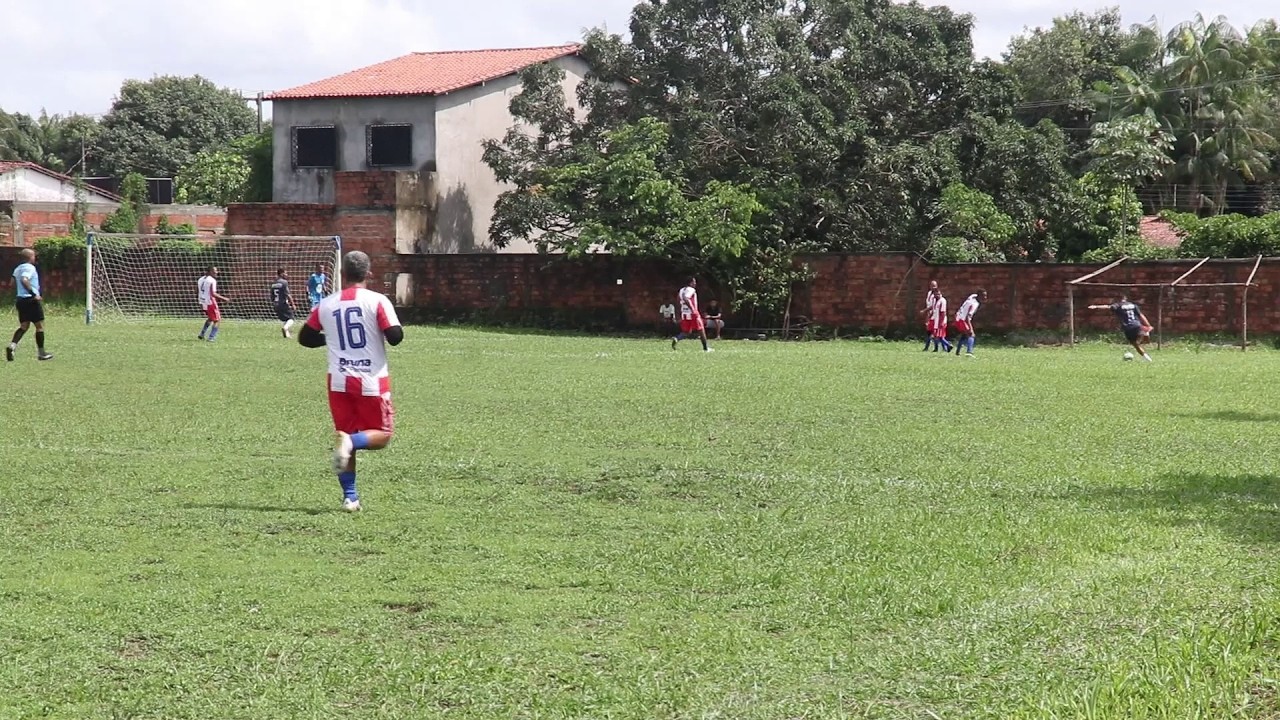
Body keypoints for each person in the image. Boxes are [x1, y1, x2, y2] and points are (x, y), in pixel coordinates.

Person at [298, 251, 404, 512]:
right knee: (382, 435)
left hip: (338, 382)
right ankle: (352, 445)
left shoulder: (326, 304)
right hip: (371, 380)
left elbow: (305, 338)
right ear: (369, 274)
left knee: (346, 434)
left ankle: (350, 497)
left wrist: (330, 339)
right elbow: (395, 336)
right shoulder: (378, 301)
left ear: (343, 275)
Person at [7, 248, 53, 362]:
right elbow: (24, 279)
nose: (35, 258)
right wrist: (33, 294)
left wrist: (19, 293)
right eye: (33, 256)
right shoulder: (29, 268)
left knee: (24, 326)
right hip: (31, 300)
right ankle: (41, 353)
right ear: (29, 257)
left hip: (20, 300)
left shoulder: (17, 268)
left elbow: (11, 283)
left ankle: (12, 346)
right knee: (39, 326)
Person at [1089, 296, 1154, 362]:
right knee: (1142, 340)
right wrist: (1148, 325)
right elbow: (1141, 315)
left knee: (1135, 344)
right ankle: (1144, 335)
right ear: (1125, 299)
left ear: (1117, 299)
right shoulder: (1133, 305)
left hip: (1128, 327)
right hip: (1137, 325)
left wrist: (1096, 306)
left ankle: (1147, 358)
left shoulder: (1118, 305)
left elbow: (1107, 307)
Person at [671, 277, 712, 352]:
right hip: (692, 313)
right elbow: (686, 298)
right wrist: (693, 309)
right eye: (694, 282)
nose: (695, 283)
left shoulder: (681, 290)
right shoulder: (691, 290)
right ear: (690, 283)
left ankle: (677, 338)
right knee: (701, 329)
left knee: (686, 332)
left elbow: (678, 301)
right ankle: (706, 348)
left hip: (684, 314)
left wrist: (679, 312)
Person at [197, 266, 228, 341]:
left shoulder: (200, 279)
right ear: (210, 271)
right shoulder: (212, 280)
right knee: (217, 320)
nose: (217, 272)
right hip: (210, 302)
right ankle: (211, 337)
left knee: (211, 318)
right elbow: (213, 293)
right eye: (215, 271)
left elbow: (197, 290)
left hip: (202, 301)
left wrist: (200, 301)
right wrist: (224, 299)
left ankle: (202, 334)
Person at [953, 289, 987, 358]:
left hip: (957, 317)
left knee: (964, 335)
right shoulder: (975, 304)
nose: (985, 297)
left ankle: (957, 352)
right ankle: (969, 352)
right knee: (971, 335)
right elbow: (967, 317)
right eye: (983, 296)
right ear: (979, 296)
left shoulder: (972, 296)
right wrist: (971, 328)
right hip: (962, 320)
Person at [270, 268, 295, 339]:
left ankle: (287, 335)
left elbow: (271, 296)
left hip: (276, 305)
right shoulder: (284, 282)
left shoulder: (273, 284)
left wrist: (274, 303)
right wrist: (293, 304)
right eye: (285, 273)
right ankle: (285, 328)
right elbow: (288, 294)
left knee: (285, 319)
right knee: (291, 318)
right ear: (281, 274)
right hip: (283, 304)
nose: (287, 275)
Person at [929, 287, 952, 353]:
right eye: (936, 294)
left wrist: (941, 323)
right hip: (936, 320)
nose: (937, 295)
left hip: (941, 321)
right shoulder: (934, 300)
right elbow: (933, 310)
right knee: (937, 335)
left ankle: (948, 345)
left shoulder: (943, 301)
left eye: (938, 294)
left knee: (939, 336)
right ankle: (938, 348)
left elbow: (943, 313)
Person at [921, 280, 939, 351]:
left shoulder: (936, 295)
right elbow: (928, 304)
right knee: (929, 331)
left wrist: (924, 311)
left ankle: (937, 347)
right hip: (929, 314)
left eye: (934, 286)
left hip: (934, 315)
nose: (933, 287)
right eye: (932, 286)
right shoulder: (929, 293)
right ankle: (927, 347)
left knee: (934, 332)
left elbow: (932, 306)